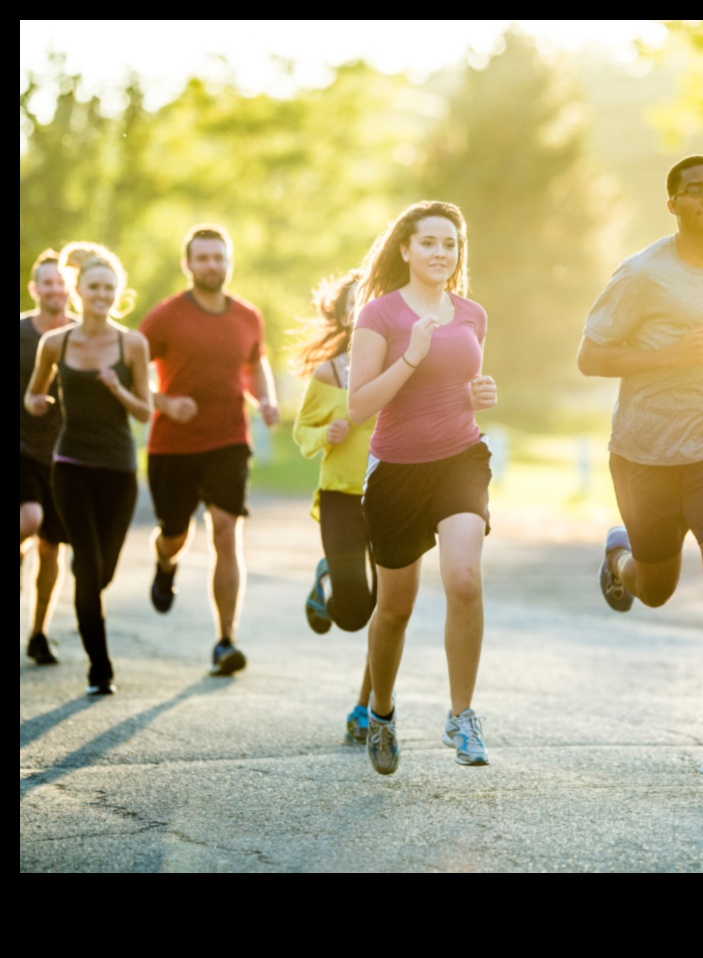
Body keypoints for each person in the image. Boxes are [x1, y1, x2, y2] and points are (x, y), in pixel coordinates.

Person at [576, 155, 703, 787]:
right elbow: (588, 357)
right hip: (648, 452)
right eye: (697, 191)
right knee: (656, 586)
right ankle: (619, 558)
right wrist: (665, 356)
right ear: (673, 204)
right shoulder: (641, 275)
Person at [347, 200, 498, 776]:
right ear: (405, 249)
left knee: (464, 579)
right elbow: (360, 405)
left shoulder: (472, 313)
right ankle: (381, 711)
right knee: (394, 610)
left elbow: (460, 385)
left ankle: (462, 715)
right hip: (396, 470)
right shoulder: (379, 317)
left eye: (451, 244)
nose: (442, 253)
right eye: (430, 242)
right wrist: (410, 353)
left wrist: (479, 395)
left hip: (461, 456)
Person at [138, 224, 279, 677]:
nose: (212, 265)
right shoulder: (164, 318)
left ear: (228, 262)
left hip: (228, 440)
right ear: (188, 265)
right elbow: (130, 373)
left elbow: (255, 366)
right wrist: (163, 402)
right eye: (203, 258)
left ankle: (225, 640)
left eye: (219, 257)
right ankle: (165, 559)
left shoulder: (247, 317)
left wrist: (267, 399)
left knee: (225, 530)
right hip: (172, 445)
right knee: (176, 533)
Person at [25, 244, 152, 695]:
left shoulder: (131, 343)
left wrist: (118, 388)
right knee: (87, 572)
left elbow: (144, 413)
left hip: (118, 470)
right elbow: (32, 394)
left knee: (101, 572)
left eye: (109, 288)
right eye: (93, 286)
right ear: (78, 290)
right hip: (70, 465)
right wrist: (36, 403)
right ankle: (100, 669)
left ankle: (90, 574)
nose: (101, 294)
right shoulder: (55, 343)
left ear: (118, 293)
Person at [291, 269, 378, 744]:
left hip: (394, 494)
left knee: (390, 607)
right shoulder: (330, 372)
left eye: (373, 301)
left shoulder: (404, 365)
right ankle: (328, 577)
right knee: (352, 614)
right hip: (342, 498)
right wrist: (324, 434)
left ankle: (367, 707)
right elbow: (301, 430)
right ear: (344, 315)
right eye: (355, 304)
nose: (363, 310)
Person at [20, 249, 75, 667]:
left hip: (64, 454)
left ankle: (38, 632)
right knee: (30, 521)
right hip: (21, 448)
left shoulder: (82, 335)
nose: (55, 289)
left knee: (51, 549)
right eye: (48, 283)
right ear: (34, 289)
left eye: (61, 282)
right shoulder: (20, 333)